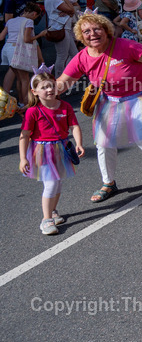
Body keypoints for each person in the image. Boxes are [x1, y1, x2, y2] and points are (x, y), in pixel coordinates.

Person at [55, 11, 142, 203]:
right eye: (87, 31)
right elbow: (63, 82)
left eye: (97, 28)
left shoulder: (126, 46)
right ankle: (109, 183)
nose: (93, 34)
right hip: (111, 101)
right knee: (104, 143)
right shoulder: (82, 58)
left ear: (106, 30)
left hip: (141, 96)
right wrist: (42, 91)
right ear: (81, 37)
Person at [19, 69, 85, 235]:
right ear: (34, 92)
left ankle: (53, 211)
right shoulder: (33, 111)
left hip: (61, 148)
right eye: (44, 87)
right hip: (42, 151)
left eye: (52, 86)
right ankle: (46, 220)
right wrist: (23, 158)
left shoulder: (65, 106)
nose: (49, 90)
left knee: (59, 182)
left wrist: (79, 143)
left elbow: (74, 126)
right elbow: (24, 136)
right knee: (51, 183)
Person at [1, 2, 44, 103]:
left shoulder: (10, 21)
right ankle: (24, 102)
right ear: (34, 14)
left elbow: (1, 37)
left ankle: (20, 101)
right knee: (24, 79)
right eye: (36, 16)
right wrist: (40, 35)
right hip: (18, 51)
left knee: (19, 78)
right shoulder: (28, 22)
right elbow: (27, 39)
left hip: (7, 49)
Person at [43, 0, 78, 76]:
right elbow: (71, 10)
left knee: (74, 54)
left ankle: (69, 77)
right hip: (60, 28)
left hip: (62, 28)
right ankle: (59, 79)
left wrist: (68, 11)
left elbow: (71, 11)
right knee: (62, 55)